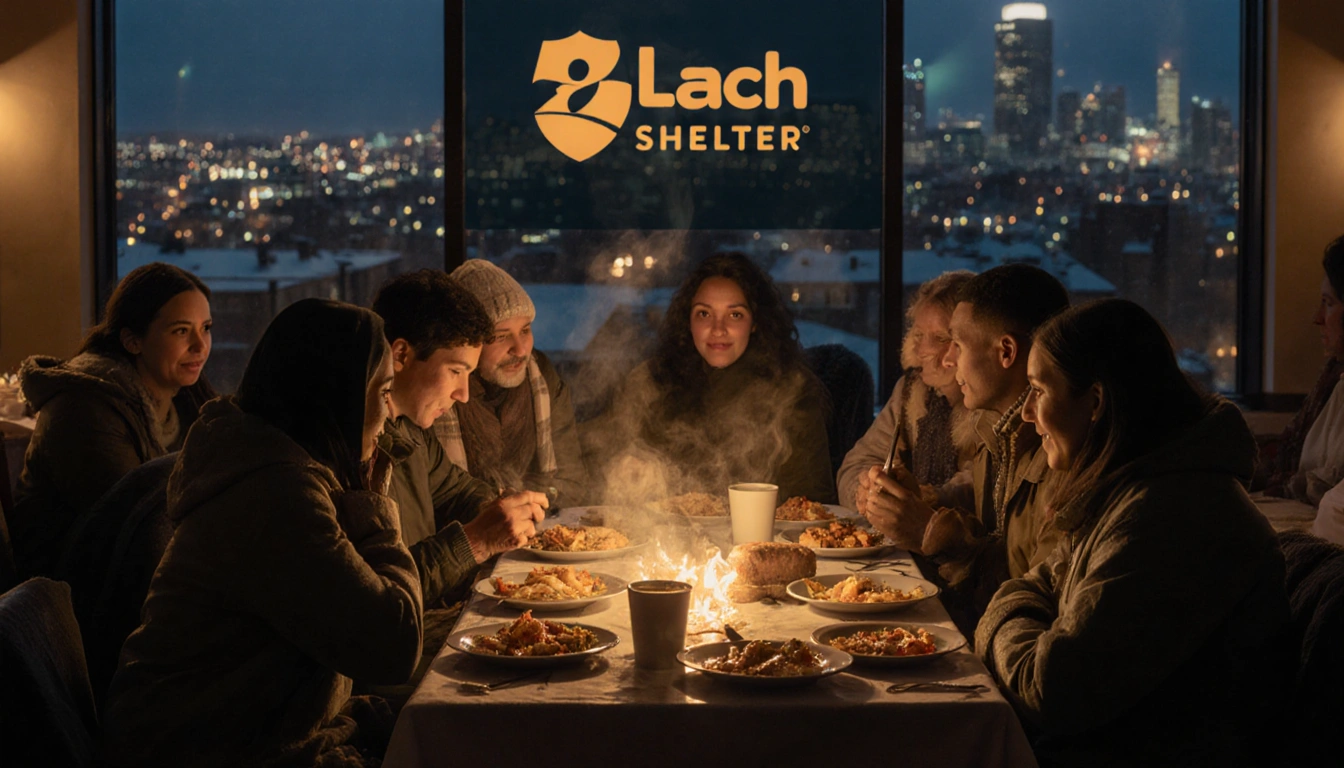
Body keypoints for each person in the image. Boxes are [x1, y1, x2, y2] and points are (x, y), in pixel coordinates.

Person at [102, 299, 420, 768]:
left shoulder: (279, 467)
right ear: (339, 394)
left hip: (238, 735)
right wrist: (373, 509)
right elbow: (394, 646)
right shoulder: (274, 493)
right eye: (384, 391)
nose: (390, 414)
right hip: (204, 751)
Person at [977, 299, 1287, 766]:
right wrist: (1023, 614)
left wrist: (1001, 617)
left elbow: (1051, 690)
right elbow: (1036, 586)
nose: (1026, 414)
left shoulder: (1171, 516)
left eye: (1038, 390)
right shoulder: (1129, 493)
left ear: (1096, 402)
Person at [863, 264, 1068, 624]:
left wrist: (929, 532)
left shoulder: (1061, 451)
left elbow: (1031, 599)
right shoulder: (995, 433)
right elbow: (999, 558)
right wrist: (919, 503)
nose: (947, 359)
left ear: (1006, 351)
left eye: (955, 343)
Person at [11, 262, 215, 578]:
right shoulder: (85, 409)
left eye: (206, 328)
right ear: (133, 341)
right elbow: (136, 531)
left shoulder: (189, 401)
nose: (200, 346)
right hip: (72, 587)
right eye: (181, 330)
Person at [583, 253, 835, 503]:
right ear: (688, 320)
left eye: (735, 315)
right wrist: (621, 471)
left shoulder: (792, 391)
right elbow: (598, 454)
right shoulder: (651, 381)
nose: (718, 329)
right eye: (704, 314)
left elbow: (813, 502)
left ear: (755, 322)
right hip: (663, 528)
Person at [371, 270, 547, 607]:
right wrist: (476, 540)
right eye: (455, 371)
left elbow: (457, 490)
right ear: (401, 355)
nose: (463, 394)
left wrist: (499, 511)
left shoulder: (410, 430)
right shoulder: (350, 450)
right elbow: (379, 594)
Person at [439, 260, 589, 507]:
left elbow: (572, 482)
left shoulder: (542, 378)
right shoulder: (441, 394)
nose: (520, 350)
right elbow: (436, 498)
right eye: (500, 336)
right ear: (466, 342)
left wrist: (534, 498)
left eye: (525, 331)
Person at [838, 270, 976, 513]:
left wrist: (926, 499)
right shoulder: (912, 392)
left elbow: (985, 487)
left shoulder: (992, 402)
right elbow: (856, 464)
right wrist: (865, 490)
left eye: (940, 338)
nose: (921, 349)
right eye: (918, 334)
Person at [1262, 234, 1344, 500]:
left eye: (1328, 303)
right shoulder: (1334, 378)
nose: (1318, 318)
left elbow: (1331, 483)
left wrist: (1292, 486)